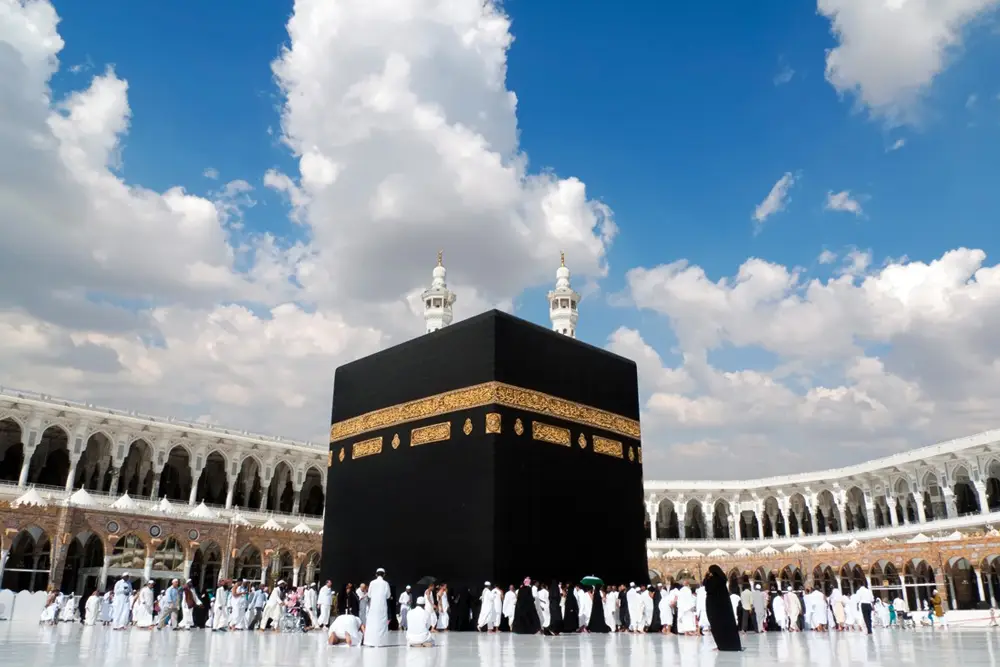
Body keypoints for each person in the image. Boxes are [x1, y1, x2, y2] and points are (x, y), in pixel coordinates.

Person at [703, 565, 742, 651]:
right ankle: (728, 645)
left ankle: (722, 645)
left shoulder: (713, 580)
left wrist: (706, 577)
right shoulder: (722, 579)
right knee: (725, 626)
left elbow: (707, 587)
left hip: (715, 608)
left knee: (717, 627)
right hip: (723, 608)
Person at [362, 568, 392, 647]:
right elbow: (388, 595)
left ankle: (370, 642)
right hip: (382, 606)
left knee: (372, 623)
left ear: (376, 574)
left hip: (373, 606)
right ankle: (381, 642)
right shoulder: (386, 583)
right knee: (381, 624)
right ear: (384, 575)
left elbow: (369, 595)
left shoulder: (372, 582)